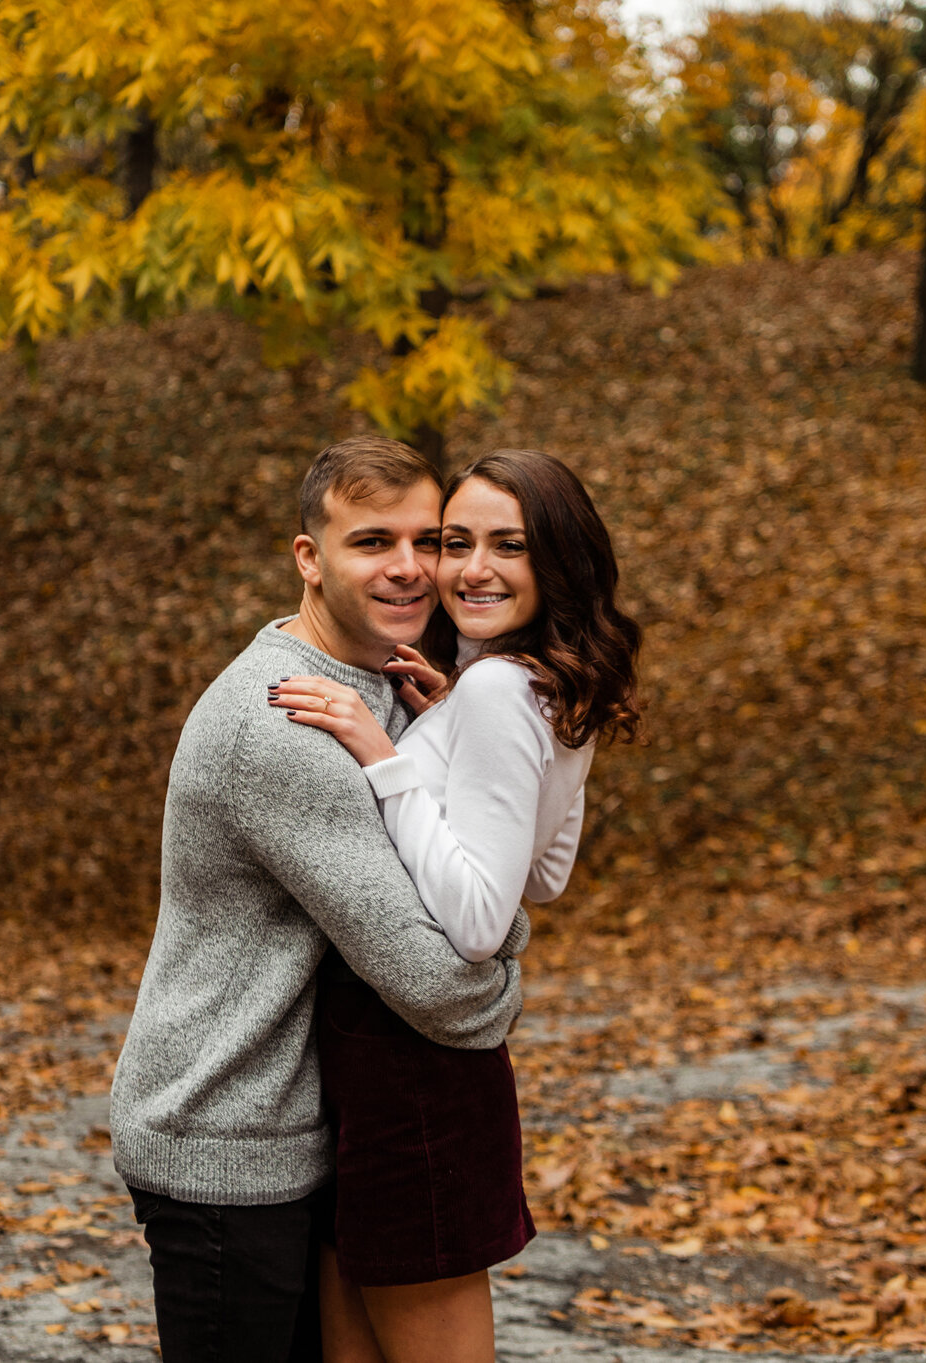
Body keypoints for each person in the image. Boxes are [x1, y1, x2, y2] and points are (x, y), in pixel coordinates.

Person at [107, 436, 526, 1363]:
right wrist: (503, 977)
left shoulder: (385, 686)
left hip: (309, 1130)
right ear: (310, 558)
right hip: (226, 1134)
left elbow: (467, 889)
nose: (411, 568)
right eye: (373, 541)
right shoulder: (285, 719)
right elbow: (441, 978)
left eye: (431, 539)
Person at [269, 449, 642, 1363]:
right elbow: (544, 872)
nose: (471, 568)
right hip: (409, 1070)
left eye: (507, 545)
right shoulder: (538, 684)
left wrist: (388, 757)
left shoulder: (498, 690)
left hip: (413, 1073)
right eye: (456, 541)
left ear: (556, 557)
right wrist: (447, 738)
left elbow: (478, 924)